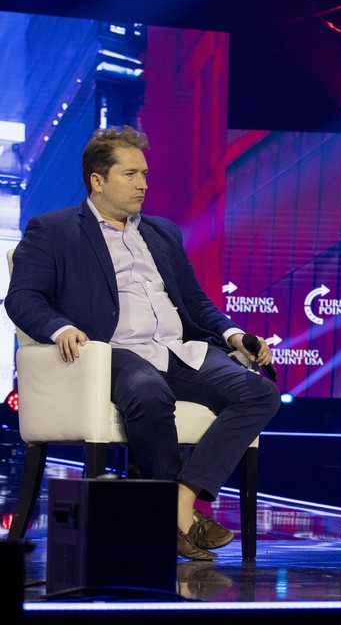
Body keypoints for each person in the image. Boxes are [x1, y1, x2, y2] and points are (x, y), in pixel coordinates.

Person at [5, 126, 281, 561]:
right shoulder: (54, 230)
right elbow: (22, 297)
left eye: (146, 174)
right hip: (111, 353)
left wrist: (232, 334)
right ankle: (177, 514)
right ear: (97, 180)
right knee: (149, 393)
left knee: (259, 393)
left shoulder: (162, 232)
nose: (143, 184)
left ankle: (179, 502)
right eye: (131, 174)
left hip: (178, 351)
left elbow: (192, 300)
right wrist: (60, 328)